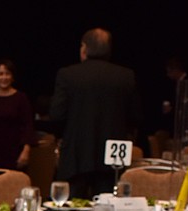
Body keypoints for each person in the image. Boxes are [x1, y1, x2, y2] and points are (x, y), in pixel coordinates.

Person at [49, 28, 140, 197]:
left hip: (76, 156)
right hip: (114, 158)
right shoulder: (126, 76)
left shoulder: (68, 75)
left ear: (84, 48)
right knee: (111, 208)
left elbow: (57, 115)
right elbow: (135, 116)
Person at [0, 59, 35, 170]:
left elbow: (28, 126)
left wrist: (26, 151)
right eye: (0, 74)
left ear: (12, 76)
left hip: (15, 152)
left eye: (7, 74)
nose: (4, 77)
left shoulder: (21, 98)